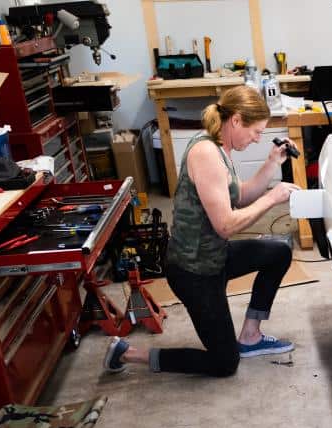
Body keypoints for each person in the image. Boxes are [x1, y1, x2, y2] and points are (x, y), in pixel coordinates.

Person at [103, 85, 300, 377]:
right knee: (224, 364)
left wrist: (272, 163)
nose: (258, 138)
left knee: (279, 252)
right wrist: (272, 198)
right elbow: (226, 225)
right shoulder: (206, 153)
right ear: (236, 121)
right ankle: (127, 353)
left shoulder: (221, 148)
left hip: (214, 257)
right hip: (194, 272)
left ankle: (250, 336)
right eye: (256, 132)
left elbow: (239, 196)